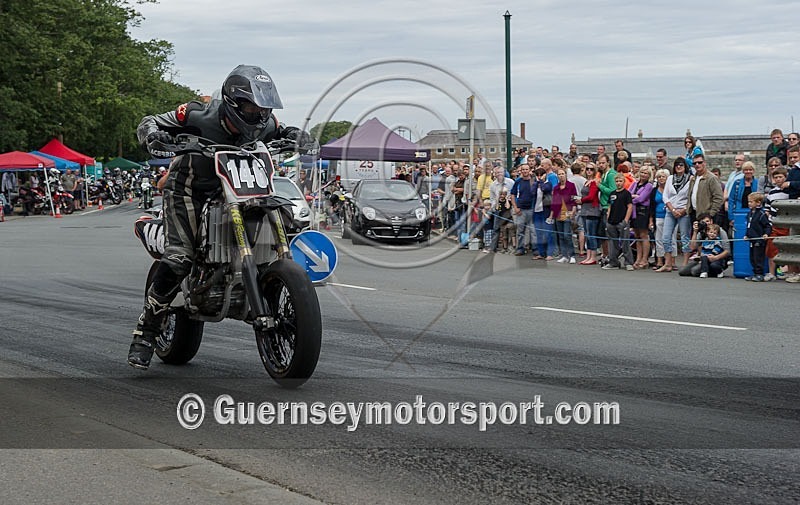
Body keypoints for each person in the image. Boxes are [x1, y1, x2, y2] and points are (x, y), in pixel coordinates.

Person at [127, 64, 315, 370]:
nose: (259, 114)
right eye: (252, 107)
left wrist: (298, 136)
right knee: (179, 257)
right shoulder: (197, 115)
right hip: (189, 189)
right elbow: (151, 121)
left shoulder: (267, 123)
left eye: (263, 108)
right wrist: (154, 135)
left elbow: (280, 131)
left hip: (241, 189)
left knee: (279, 213)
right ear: (233, 102)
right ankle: (146, 330)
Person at [679, 213, 731, 278]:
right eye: (703, 222)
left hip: (717, 258)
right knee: (682, 271)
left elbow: (727, 251)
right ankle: (705, 269)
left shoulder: (720, 231)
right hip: (703, 258)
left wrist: (715, 257)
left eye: (707, 221)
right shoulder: (701, 232)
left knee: (694, 271)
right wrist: (695, 231)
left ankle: (716, 270)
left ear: (711, 221)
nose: (706, 224)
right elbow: (692, 247)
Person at [601, 174, 634, 271]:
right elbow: (610, 206)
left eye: (620, 181)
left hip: (622, 221)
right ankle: (613, 262)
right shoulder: (612, 193)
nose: (618, 183)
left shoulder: (626, 194)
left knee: (625, 243)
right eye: (617, 181)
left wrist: (626, 220)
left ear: (624, 182)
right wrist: (608, 219)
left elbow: (630, 207)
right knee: (612, 243)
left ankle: (628, 262)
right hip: (612, 221)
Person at [548, 168, 578, 263]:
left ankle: (572, 255)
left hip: (567, 212)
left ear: (565, 175)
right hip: (558, 213)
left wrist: (573, 210)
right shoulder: (556, 188)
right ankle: (564, 255)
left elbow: (574, 198)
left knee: (567, 235)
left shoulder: (571, 185)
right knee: (560, 235)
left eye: (562, 174)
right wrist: (551, 215)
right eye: (559, 174)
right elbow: (554, 202)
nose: (561, 176)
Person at [629, 166, 653, 269]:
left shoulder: (649, 186)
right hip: (634, 212)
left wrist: (633, 198)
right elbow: (628, 194)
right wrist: (634, 197)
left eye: (646, 173)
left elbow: (642, 199)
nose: (643, 175)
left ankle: (644, 259)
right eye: (642, 172)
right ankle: (638, 258)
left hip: (643, 212)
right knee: (637, 236)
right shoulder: (635, 183)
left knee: (644, 235)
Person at [744, 192, 771, 282]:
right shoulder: (749, 214)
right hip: (752, 240)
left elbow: (767, 226)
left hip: (759, 240)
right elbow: (749, 226)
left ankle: (759, 273)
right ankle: (755, 273)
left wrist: (766, 234)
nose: (749, 204)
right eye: (748, 202)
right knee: (752, 257)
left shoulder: (761, 214)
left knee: (758, 257)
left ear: (758, 203)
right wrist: (747, 235)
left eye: (751, 202)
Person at [577, 163, 601, 265]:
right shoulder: (586, 181)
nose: (589, 171)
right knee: (587, 234)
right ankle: (588, 256)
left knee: (591, 235)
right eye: (587, 169)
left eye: (591, 169)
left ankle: (593, 256)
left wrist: (581, 200)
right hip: (584, 210)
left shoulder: (594, 183)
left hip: (592, 210)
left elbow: (591, 197)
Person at [650, 168, 671, 270]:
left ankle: (671, 262)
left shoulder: (671, 189)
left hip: (670, 216)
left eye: (663, 176)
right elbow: (651, 206)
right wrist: (650, 220)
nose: (661, 178)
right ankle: (659, 261)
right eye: (659, 177)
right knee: (658, 239)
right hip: (658, 217)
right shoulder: (654, 191)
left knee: (670, 239)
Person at [727, 161, 758, 226]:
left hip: (754, 213)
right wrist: (731, 216)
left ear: (753, 171)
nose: (748, 172)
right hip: (739, 211)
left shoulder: (758, 183)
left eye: (750, 170)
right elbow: (731, 200)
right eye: (746, 170)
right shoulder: (737, 183)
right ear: (743, 171)